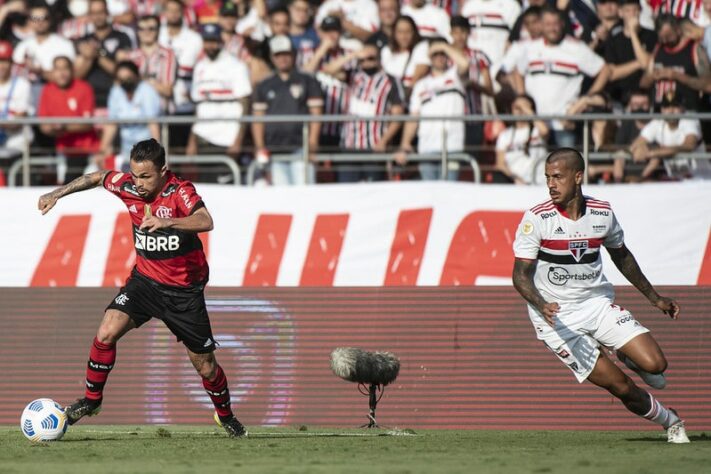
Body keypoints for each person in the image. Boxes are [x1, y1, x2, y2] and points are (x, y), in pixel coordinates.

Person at [37, 138, 247, 438]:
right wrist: (57, 193)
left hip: (183, 292)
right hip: (145, 283)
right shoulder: (128, 186)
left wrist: (169, 223)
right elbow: (97, 177)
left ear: (163, 170)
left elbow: (205, 220)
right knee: (106, 331)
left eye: (146, 176)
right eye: (135, 175)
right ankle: (92, 401)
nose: (138, 183)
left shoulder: (180, 191)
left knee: (206, 367)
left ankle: (226, 416)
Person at [512, 147, 690, 444]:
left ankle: (621, 351)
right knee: (620, 386)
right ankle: (670, 421)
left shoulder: (601, 213)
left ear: (578, 177)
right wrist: (542, 304)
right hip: (556, 319)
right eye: (547, 178)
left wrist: (654, 298)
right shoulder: (537, 219)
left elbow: (622, 257)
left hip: (596, 305)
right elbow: (520, 275)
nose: (551, 184)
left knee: (656, 366)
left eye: (558, 177)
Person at [502, 7, 611, 147]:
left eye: (555, 24)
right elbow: (518, 72)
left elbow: (604, 70)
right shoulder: (530, 48)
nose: (552, 28)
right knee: (539, 167)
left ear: (562, 24)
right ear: (541, 25)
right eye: (548, 24)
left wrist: (587, 97)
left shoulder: (576, 48)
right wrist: (522, 96)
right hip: (537, 125)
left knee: (565, 166)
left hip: (564, 123)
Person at [251, 35, 323, 185]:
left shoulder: (308, 80)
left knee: (304, 193)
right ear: (272, 57)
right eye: (278, 55)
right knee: (281, 196)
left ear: (293, 54)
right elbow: (258, 119)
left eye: (286, 54)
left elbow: (316, 114)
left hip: (301, 148)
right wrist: (260, 147)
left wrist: (312, 143)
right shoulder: (265, 85)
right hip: (274, 150)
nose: (282, 59)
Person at [396, 39, 469, 181]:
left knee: (449, 190)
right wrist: (405, 143)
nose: (440, 57)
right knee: (430, 193)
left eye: (443, 54)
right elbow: (414, 116)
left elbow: (464, 64)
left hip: (452, 146)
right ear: (430, 57)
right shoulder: (421, 85)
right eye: (435, 54)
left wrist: (443, 46)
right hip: (426, 146)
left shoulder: (455, 77)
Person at [37, 55, 99, 183]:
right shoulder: (47, 90)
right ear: (52, 72)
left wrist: (63, 127)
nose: (62, 73)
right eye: (58, 69)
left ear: (72, 70)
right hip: (61, 150)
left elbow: (87, 124)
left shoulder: (84, 87)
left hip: (85, 149)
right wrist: (52, 129)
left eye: (65, 68)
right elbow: (44, 125)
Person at [629, 91, 709, 180]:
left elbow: (689, 145)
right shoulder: (657, 123)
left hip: (701, 180)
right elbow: (637, 143)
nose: (671, 111)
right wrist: (640, 148)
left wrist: (653, 153)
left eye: (675, 106)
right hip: (676, 180)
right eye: (666, 107)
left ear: (682, 108)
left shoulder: (689, 119)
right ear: (662, 110)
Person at [100, 61, 161, 169]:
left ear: (136, 76)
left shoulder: (147, 91)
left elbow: (153, 124)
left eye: (128, 77)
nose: (125, 81)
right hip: (127, 154)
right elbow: (112, 124)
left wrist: (156, 155)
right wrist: (102, 150)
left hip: (146, 154)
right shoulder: (116, 92)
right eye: (121, 79)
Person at [495, 94, 549, 184]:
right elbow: (500, 164)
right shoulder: (505, 135)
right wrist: (515, 178)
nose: (520, 111)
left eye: (524, 107)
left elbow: (545, 131)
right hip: (516, 183)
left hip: (539, 182)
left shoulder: (537, 130)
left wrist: (527, 110)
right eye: (516, 107)